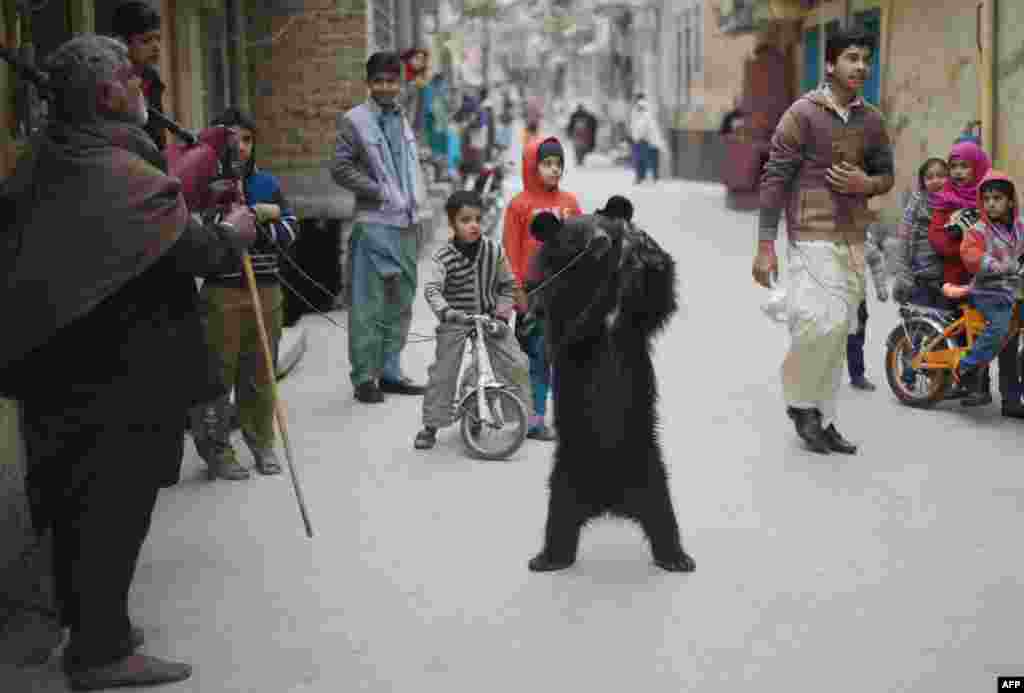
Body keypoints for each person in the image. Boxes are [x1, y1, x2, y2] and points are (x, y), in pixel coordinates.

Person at [0, 35, 258, 689]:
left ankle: (96, 622)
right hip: (112, 381)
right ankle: (99, 649)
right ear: (102, 94)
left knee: (75, 510)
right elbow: (193, 254)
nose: (140, 84)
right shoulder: (114, 175)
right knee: (110, 511)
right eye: (127, 76)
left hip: (58, 373)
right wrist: (237, 235)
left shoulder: (44, 160)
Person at [752, 28, 894, 455]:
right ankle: (800, 404)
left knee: (841, 331)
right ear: (830, 64)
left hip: (852, 235)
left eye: (866, 59)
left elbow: (886, 175)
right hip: (810, 231)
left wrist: (864, 182)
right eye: (852, 57)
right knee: (822, 324)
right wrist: (765, 244)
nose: (861, 66)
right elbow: (774, 178)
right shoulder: (802, 114)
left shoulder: (871, 119)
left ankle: (825, 418)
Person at [188, 107, 299, 480]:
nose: (241, 147)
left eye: (248, 140)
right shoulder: (204, 187)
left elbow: (291, 228)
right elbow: (196, 236)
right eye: (232, 139)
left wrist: (264, 222)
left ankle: (262, 441)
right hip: (222, 292)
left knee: (261, 370)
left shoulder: (267, 184)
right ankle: (217, 448)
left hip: (265, 290)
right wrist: (228, 223)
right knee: (218, 374)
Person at [331, 52, 426, 403]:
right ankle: (364, 378)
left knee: (400, 303)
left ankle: (390, 371)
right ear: (369, 83)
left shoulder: (402, 120)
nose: (386, 87)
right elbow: (340, 169)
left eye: (392, 81)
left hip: (406, 224)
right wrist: (378, 189)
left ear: (399, 84)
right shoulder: (354, 121)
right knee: (368, 305)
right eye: (379, 81)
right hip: (373, 225)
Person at [414, 191, 532, 450]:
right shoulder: (443, 256)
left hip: (490, 317)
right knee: (443, 371)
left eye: (478, 219)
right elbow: (432, 289)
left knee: (516, 361)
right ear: (452, 223)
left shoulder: (494, 250)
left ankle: (516, 415)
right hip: (457, 319)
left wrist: (501, 314)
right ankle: (431, 424)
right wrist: (447, 312)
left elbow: (508, 285)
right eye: (465, 220)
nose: (474, 225)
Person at [503, 136, 582, 440]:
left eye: (558, 164)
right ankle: (533, 416)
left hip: (563, 296)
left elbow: (581, 247)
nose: (554, 170)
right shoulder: (519, 206)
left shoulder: (569, 204)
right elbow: (509, 253)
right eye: (547, 164)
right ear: (532, 166)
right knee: (534, 357)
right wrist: (516, 293)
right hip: (532, 296)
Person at [947, 172, 1024, 416]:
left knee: (1010, 350)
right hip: (988, 292)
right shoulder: (979, 229)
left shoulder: (1020, 228)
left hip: (1013, 292)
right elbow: (970, 253)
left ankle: (1011, 402)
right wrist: (992, 264)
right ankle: (967, 366)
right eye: (987, 198)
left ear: (1011, 201)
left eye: (998, 198)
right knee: (1000, 329)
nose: (991, 203)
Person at [928, 140, 995, 402]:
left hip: (982, 277)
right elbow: (936, 236)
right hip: (955, 276)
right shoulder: (945, 200)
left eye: (964, 166)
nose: (957, 172)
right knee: (956, 329)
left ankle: (981, 387)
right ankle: (960, 381)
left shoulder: (988, 198)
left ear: (977, 167)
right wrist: (962, 250)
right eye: (953, 166)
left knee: (979, 330)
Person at [892, 157, 951, 308]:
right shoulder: (918, 201)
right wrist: (903, 274)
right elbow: (904, 237)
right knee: (921, 325)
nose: (935, 180)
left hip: (947, 276)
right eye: (929, 177)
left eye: (941, 175)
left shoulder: (955, 203)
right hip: (920, 274)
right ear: (922, 181)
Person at [111, 0, 166, 151]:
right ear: (122, 44)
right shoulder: (111, 83)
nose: (156, 47)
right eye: (146, 40)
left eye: (158, 39)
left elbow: (158, 138)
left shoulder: (151, 78)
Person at [845, 223, 889, 391]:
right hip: (833, 297)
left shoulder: (866, 243)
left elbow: (877, 265)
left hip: (857, 299)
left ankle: (857, 375)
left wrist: (881, 289)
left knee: (856, 338)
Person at [630, 94, 666, 184]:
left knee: (641, 159)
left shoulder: (641, 109)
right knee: (650, 159)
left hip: (644, 139)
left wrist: (637, 136)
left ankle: (642, 177)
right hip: (647, 139)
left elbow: (642, 125)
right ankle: (651, 177)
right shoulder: (643, 109)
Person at [567, 102, 598, 167]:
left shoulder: (574, 115)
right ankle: (580, 160)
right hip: (583, 135)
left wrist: (569, 133)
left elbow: (570, 125)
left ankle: (579, 160)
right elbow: (593, 124)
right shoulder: (587, 115)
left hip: (579, 135)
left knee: (578, 147)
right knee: (581, 147)